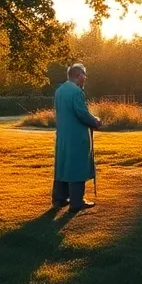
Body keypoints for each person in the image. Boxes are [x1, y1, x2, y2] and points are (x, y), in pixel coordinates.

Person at [52, 63, 102, 211]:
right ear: (78, 75)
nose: (85, 78)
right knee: (77, 166)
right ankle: (76, 202)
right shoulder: (76, 92)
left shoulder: (60, 90)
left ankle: (59, 198)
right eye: (84, 75)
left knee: (63, 164)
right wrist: (95, 121)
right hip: (76, 135)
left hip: (62, 135)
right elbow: (81, 113)